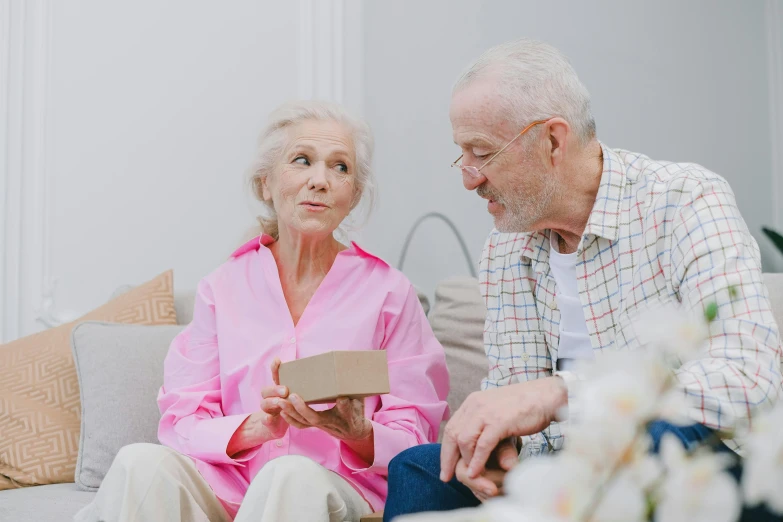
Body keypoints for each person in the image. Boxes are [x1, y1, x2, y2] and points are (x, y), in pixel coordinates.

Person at [384, 38, 782, 521]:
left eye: (482, 152)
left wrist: (561, 393)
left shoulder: (684, 200)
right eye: (461, 154)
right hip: (571, 476)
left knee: (651, 437)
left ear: (553, 140)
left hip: (693, 470)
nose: (469, 178)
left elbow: (748, 377)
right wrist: (494, 450)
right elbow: (516, 397)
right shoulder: (506, 248)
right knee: (422, 469)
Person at [74, 100, 449, 522]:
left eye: (340, 167)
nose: (320, 180)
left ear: (353, 195)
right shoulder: (223, 286)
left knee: (288, 477)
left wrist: (358, 433)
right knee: (138, 463)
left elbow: (419, 436)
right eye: (302, 160)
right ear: (266, 185)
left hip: (334, 489)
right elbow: (183, 417)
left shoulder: (389, 293)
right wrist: (255, 427)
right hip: (231, 485)